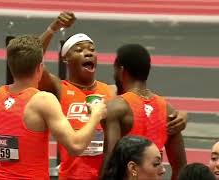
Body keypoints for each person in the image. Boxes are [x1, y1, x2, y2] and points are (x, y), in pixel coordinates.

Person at [38, 12, 188, 179]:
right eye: (79, 50)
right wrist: (52, 29)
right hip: (72, 176)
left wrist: (180, 116)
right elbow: (32, 62)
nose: (88, 53)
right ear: (65, 59)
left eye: (92, 49)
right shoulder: (59, 88)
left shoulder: (112, 91)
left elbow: (144, 101)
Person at [0, 35, 107, 179]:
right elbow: (75, 146)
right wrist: (96, 115)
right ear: (40, 68)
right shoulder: (43, 100)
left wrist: (12, 169)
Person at [100, 44, 187, 180]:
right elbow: (181, 167)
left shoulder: (117, 107)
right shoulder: (168, 110)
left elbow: (111, 163)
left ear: (121, 71)